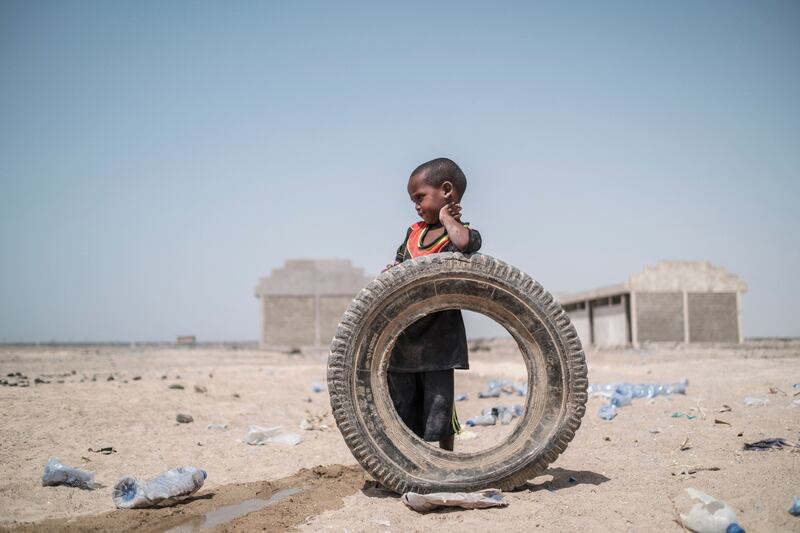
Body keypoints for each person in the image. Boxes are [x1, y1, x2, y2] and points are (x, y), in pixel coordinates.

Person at [385, 157, 482, 451]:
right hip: (407, 335)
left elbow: (464, 243)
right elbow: (401, 266)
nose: (416, 205)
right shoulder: (413, 234)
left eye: (420, 197)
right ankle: (410, 457)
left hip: (440, 336)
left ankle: (446, 458)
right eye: (413, 199)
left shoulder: (458, 232)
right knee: (404, 401)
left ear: (446, 191)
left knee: (440, 404)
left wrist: (447, 219)